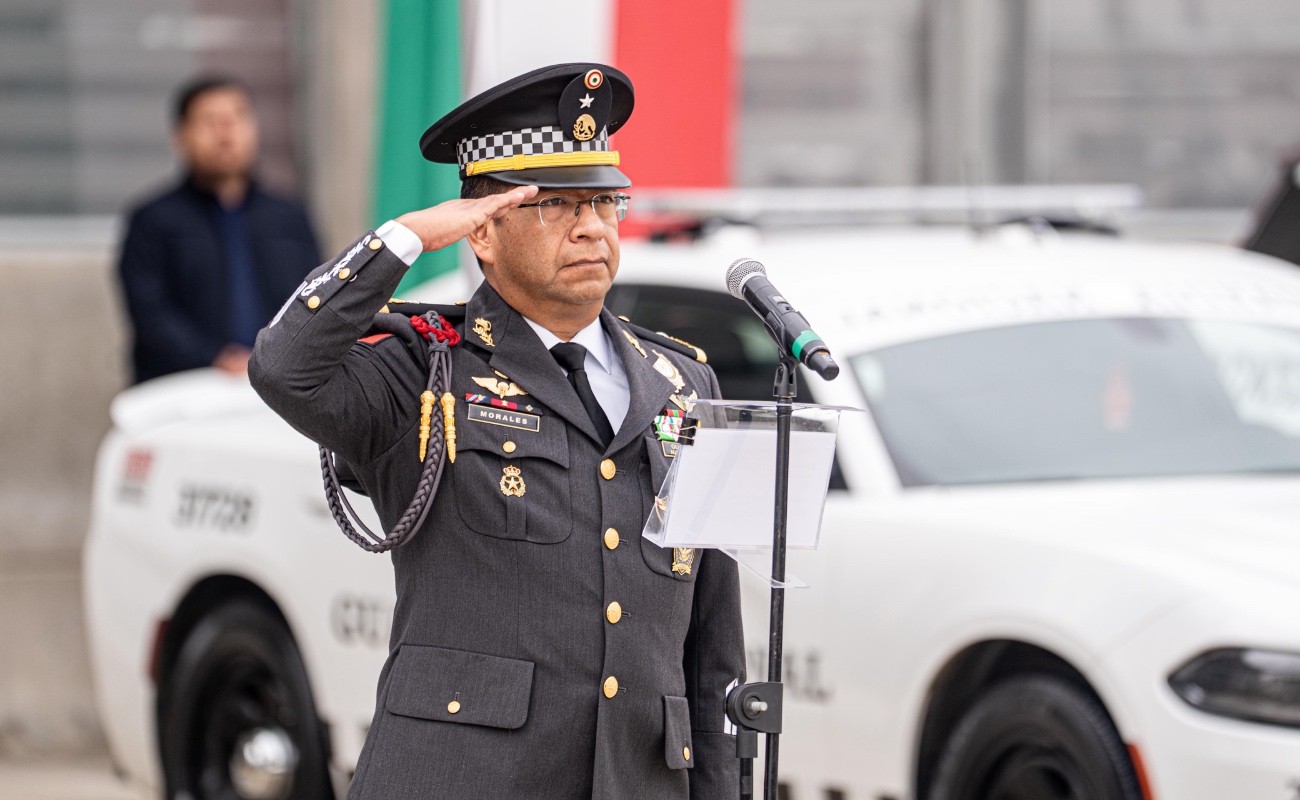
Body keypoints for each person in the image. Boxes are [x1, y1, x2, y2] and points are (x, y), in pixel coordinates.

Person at [249, 63, 744, 799]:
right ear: (481, 233)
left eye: (605, 203)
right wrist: (406, 239)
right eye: (555, 205)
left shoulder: (682, 384)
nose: (590, 228)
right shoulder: (423, 372)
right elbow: (286, 369)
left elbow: (711, 636)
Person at [118, 76, 321, 383]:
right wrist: (215, 358)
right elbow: (151, 315)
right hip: (183, 390)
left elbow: (315, 298)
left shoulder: (289, 217)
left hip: (278, 388)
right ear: (180, 136)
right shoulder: (152, 220)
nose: (226, 133)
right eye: (209, 121)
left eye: (237, 118)